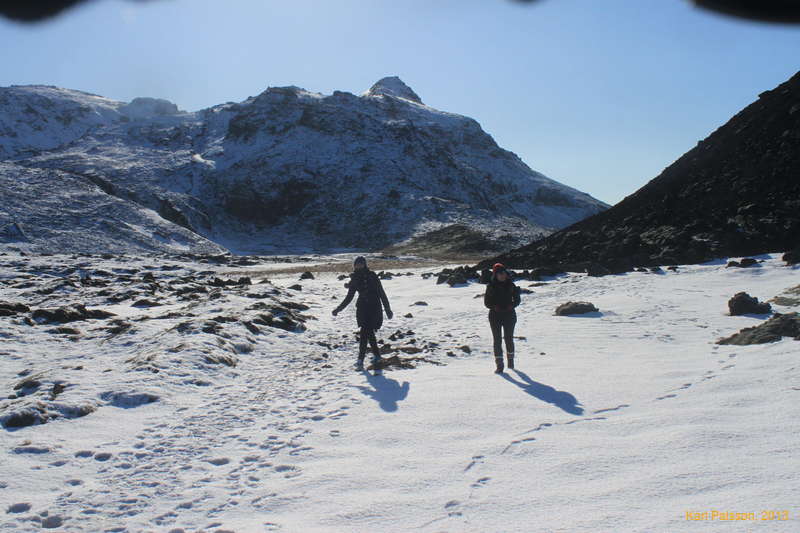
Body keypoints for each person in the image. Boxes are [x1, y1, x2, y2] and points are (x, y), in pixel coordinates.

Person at [332, 256, 393, 370]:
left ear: (365, 264)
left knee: (365, 331)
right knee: (368, 332)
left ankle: (360, 360)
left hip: (374, 307)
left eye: (361, 264)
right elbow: (349, 297)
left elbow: (381, 293)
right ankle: (377, 356)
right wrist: (338, 309)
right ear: (354, 266)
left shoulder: (372, 276)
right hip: (362, 309)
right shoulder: (354, 279)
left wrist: (388, 309)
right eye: (357, 264)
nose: (359, 266)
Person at [484, 262, 521, 374]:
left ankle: (511, 361)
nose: (502, 275)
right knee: (497, 340)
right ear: (495, 275)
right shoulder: (490, 286)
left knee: (509, 338)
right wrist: (495, 307)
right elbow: (486, 303)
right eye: (499, 273)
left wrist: (512, 306)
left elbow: (517, 300)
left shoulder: (511, 285)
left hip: (509, 315)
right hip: (495, 316)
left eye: (503, 273)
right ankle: (499, 365)